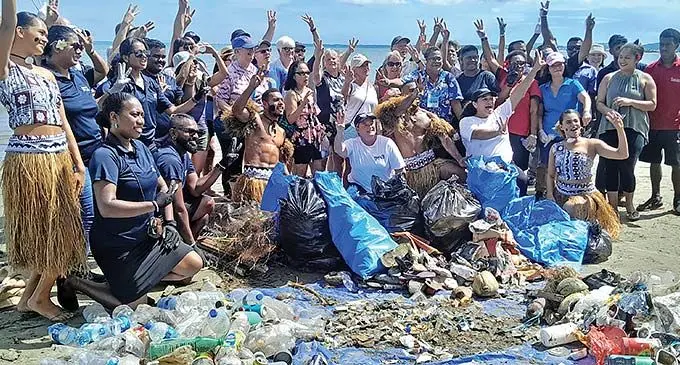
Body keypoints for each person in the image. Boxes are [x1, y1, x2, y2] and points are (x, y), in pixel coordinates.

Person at [63, 93, 203, 309]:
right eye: (135, 114)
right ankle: (78, 282)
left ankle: (129, 284)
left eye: (142, 115)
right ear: (114, 117)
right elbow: (107, 206)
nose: (141, 120)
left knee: (193, 264)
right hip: (118, 244)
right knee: (136, 305)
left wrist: (169, 223)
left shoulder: (142, 149)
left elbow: (163, 187)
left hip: (146, 237)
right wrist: (153, 205)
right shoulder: (104, 155)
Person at [0, 5, 86, 321]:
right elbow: (6, 23)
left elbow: (64, 122)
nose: (45, 39)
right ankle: (40, 298)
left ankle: (28, 299)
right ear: (19, 32)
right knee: (51, 233)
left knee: (57, 232)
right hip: (28, 160)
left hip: (58, 158)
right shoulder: (5, 66)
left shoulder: (47, 74)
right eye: (41, 33)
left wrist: (79, 165)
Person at [44, 25, 108, 253]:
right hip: (71, 156)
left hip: (94, 153)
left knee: (95, 211)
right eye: (76, 46)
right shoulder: (47, 77)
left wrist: (91, 50)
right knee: (85, 212)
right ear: (57, 46)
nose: (79, 50)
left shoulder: (78, 75)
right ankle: (72, 266)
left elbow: (103, 71)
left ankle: (77, 261)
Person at [458, 51, 545, 196]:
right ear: (474, 104)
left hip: (507, 166)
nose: (489, 101)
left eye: (491, 98)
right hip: (482, 169)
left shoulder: (499, 113)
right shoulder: (466, 121)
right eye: (484, 99)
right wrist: (497, 132)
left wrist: (535, 69)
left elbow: (520, 92)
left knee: (522, 179)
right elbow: (479, 134)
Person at [96, 37, 205, 150]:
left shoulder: (151, 82)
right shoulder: (119, 83)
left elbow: (172, 110)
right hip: (126, 143)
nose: (144, 57)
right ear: (125, 57)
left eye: (146, 53)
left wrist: (197, 97)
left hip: (150, 143)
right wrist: (114, 90)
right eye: (138, 53)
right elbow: (98, 107)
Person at [154, 114, 238, 245]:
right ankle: (182, 248)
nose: (197, 137)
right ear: (173, 133)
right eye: (190, 132)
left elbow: (195, 189)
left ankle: (184, 244)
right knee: (203, 207)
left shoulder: (182, 154)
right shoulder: (169, 159)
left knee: (206, 207)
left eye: (197, 132)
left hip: (173, 209)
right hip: (161, 213)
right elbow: (178, 208)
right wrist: (192, 245)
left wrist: (222, 165)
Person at [596, 43, 657, 221]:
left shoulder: (645, 78)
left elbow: (652, 104)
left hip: (634, 126)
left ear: (637, 58)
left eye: (627, 57)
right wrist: (609, 112)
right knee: (609, 166)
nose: (622, 60)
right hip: (609, 127)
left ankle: (629, 204)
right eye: (620, 57)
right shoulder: (608, 78)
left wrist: (630, 102)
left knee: (628, 165)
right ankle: (613, 207)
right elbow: (599, 102)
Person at [375, 84, 466, 198]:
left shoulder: (426, 115)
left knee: (461, 174)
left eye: (397, 96)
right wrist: (413, 95)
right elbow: (398, 110)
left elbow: (444, 138)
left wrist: (459, 159)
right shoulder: (390, 119)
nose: (395, 99)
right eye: (392, 98)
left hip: (432, 164)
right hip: (409, 172)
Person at [547, 110, 627, 239]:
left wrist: (619, 129)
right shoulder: (556, 148)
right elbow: (551, 175)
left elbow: (622, 154)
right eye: (568, 122)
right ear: (562, 127)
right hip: (561, 193)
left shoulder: (592, 144)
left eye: (576, 121)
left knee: (570, 207)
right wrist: (550, 195)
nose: (573, 124)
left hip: (584, 195)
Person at [220, 68, 292, 203]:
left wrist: (289, 181)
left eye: (282, 100)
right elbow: (236, 111)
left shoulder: (281, 131)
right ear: (265, 103)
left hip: (273, 182)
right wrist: (251, 87)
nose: (281, 103)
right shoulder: (255, 120)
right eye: (276, 100)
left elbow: (282, 163)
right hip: (253, 181)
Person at [476, 24, 541, 173]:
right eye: (515, 63)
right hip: (499, 129)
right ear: (507, 63)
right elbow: (490, 58)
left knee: (519, 170)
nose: (519, 66)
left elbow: (534, 110)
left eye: (522, 64)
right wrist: (483, 37)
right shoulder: (503, 75)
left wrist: (533, 134)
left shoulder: (531, 81)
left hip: (520, 131)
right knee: (500, 167)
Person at [536, 51, 592, 197]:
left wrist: (586, 111)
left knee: (568, 165)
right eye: (553, 65)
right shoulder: (543, 88)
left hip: (569, 132)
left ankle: (569, 192)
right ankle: (547, 194)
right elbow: (539, 113)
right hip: (548, 134)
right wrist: (540, 130)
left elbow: (585, 98)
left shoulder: (573, 83)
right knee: (547, 166)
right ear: (548, 68)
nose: (557, 67)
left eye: (560, 64)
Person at [637, 29, 680, 214]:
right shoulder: (650, 69)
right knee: (654, 162)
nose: (663, 48)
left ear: (676, 45)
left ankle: (678, 199)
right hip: (652, 125)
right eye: (661, 44)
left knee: (676, 163)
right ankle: (655, 197)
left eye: (667, 45)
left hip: (675, 125)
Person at [172, 46, 228, 177]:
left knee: (195, 172)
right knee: (182, 169)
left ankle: (191, 194)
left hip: (200, 129)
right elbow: (188, 104)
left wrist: (214, 53)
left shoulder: (201, 81)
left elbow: (224, 74)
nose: (194, 66)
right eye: (191, 63)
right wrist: (190, 83)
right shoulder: (175, 84)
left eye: (195, 63)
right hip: (182, 131)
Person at [334, 111, 406, 194]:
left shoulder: (387, 143)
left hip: (385, 192)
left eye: (371, 123)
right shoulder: (352, 143)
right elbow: (339, 150)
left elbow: (400, 170)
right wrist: (340, 131)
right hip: (359, 190)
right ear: (357, 128)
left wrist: (396, 189)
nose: (370, 127)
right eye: (365, 124)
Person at [283, 58, 328, 176]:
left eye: (307, 73)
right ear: (294, 76)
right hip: (301, 138)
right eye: (301, 73)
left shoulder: (309, 91)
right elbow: (291, 119)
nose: (305, 76)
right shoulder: (291, 94)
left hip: (315, 136)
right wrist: (302, 103)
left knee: (319, 169)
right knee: (301, 171)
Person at [144, 38, 184, 140]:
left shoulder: (169, 80)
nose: (161, 60)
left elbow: (181, 102)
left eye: (163, 57)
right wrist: (159, 92)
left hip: (169, 136)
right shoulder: (141, 80)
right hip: (149, 137)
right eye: (156, 56)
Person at [341, 54, 379, 140]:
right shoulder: (351, 86)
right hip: (352, 129)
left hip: (369, 129)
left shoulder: (372, 87)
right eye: (362, 66)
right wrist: (347, 81)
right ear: (354, 69)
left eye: (367, 65)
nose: (366, 68)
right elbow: (343, 97)